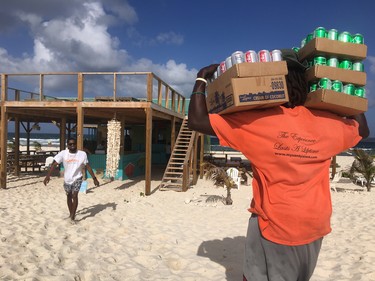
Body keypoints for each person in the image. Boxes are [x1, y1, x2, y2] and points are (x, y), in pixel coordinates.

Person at [188, 49, 369, 281]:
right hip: (315, 225)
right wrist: (346, 94)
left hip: (275, 225)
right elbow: (362, 130)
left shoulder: (258, 122)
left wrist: (202, 77)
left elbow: (196, 119)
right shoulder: (328, 124)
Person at [44, 137, 100, 224]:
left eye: (74, 144)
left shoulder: (82, 154)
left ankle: (72, 217)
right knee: (69, 196)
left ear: (76, 144)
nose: (72, 145)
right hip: (67, 179)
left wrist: (94, 179)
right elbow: (54, 164)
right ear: (67, 145)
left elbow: (87, 166)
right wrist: (48, 176)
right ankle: (71, 214)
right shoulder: (63, 153)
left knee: (74, 195)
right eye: (70, 144)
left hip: (78, 177)